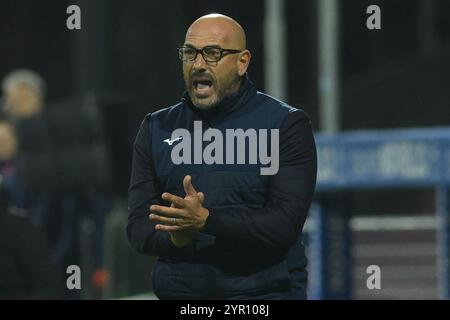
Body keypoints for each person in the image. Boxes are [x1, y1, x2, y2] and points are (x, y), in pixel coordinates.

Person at [127, 14, 317, 300]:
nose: (199, 64)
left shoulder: (285, 125)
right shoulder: (156, 128)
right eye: (190, 53)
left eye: (213, 54)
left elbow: (284, 225)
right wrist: (176, 238)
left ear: (242, 62)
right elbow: (138, 228)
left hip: (260, 297)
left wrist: (207, 221)